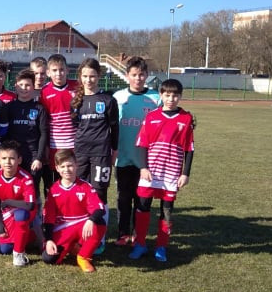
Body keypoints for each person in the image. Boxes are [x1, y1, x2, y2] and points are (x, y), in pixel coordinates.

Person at [129, 79, 195, 263]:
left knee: (166, 211)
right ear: (161, 95)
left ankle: (161, 246)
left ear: (180, 96)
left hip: (171, 173)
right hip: (151, 172)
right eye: (167, 95)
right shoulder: (151, 116)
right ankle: (140, 244)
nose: (171, 99)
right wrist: (143, 167)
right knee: (142, 207)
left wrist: (185, 173)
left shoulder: (186, 118)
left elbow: (189, 149)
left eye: (175, 95)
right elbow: (142, 144)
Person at [71, 58, 119, 253]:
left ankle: (100, 238)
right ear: (80, 77)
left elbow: (115, 128)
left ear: (99, 76)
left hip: (101, 153)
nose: (88, 80)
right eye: (85, 76)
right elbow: (76, 127)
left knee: (99, 194)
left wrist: (114, 151)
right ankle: (82, 234)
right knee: (80, 193)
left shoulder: (108, 100)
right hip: (80, 153)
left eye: (92, 76)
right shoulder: (76, 101)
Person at [112, 56, 161, 246]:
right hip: (123, 157)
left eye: (141, 75)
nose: (138, 78)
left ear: (147, 75)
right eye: (134, 75)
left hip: (146, 160)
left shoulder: (156, 98)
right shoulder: (118, 97)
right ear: (127, 76)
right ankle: (123, 233)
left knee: (142, 199)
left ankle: (137, 235)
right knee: (123, 198)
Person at [41, 149, 107, 273]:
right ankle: (72, 246)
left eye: (70, 165)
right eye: (63, 166)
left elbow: (99, 208)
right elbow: (48, 218)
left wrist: (91, 220)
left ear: (76, 165)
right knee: (49, 258)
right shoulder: (53, 190)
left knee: (99, 223)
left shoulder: (85, 186)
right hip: (63, 229)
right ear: (57, 168)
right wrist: (49, 240)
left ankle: (83, 257)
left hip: (82, 226)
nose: (67, 169)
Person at [6, 69, 49, 247]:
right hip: (14, 159)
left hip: (32, 158)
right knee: (14, 192)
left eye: (28, 85)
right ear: (16, 86)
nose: (24, 88)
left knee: (32, 195)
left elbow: (44, 135)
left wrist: (39, 158)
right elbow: (5, 134)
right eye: (21, 85)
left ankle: (36, 231)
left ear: (33, 87)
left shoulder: (39, 109)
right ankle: (15, 228)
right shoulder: (9, 108)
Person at [0, 140, 36, 266]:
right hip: (6, 212)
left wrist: (8, 202)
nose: (8, 162)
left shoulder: (26, 178)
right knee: (5, 249)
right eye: (4, 158)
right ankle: (32, 236)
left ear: (19, 160)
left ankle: (18, 253)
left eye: (12, 158)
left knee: (21, 215)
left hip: (24, 210)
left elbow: (30, 205)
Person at [39, 53, 78, 191]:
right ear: (48, 72)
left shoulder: (77, 87)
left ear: (67, 70)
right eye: (54, 70)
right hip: (55, 145)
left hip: (75, 144)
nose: (58, 73)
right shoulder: (44, 92)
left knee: (75, 179)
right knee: (56, 182)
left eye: (61, 69)